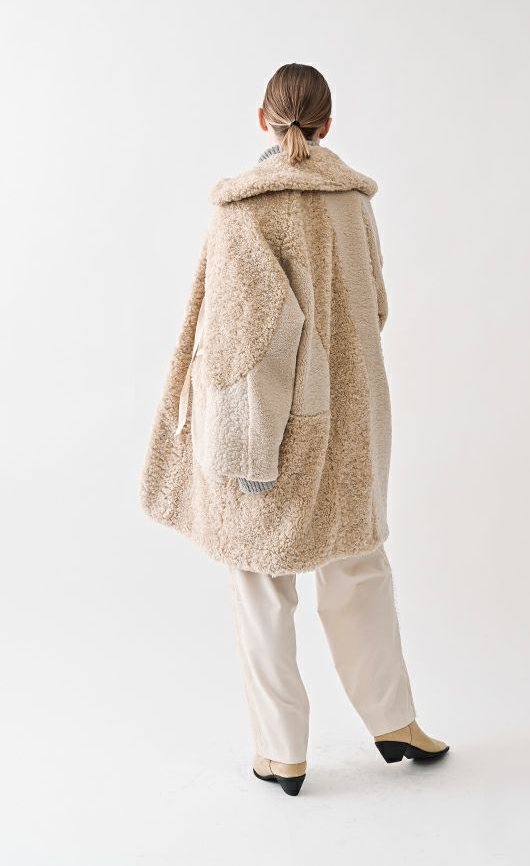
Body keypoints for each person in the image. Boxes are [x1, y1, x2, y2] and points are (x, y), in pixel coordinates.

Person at [140, 63, 449, 797]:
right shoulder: (353, 203)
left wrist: (246, 448)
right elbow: (376, 307)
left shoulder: (243, 209)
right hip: (355, 419)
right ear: (328, 125)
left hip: (268, 429)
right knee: (359, 565)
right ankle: (396, 721)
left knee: (261, 580)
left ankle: (283, 755)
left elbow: (241, 343)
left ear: (261, 119)